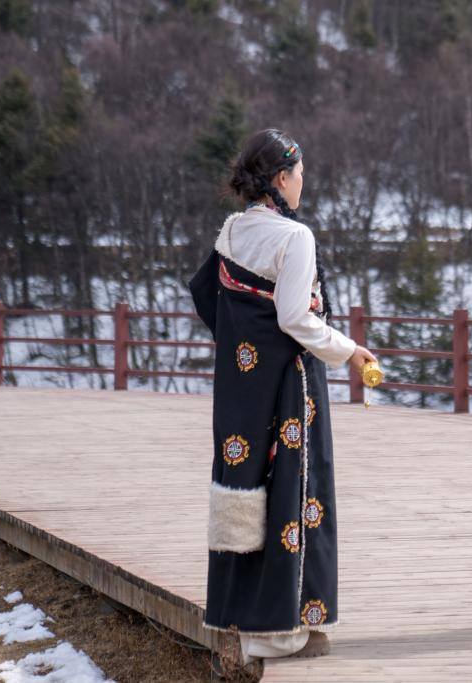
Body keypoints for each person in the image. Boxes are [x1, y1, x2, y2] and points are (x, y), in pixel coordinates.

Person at [188, 129, 376, 664]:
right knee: (295, 489)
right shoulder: (295, 237)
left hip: (242, 386)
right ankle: (285, 629)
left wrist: (246, 347)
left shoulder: (232, 231)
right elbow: (296, 318)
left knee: (246, 486)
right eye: (299, 174)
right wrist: (349, 350)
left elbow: (206, 295)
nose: (302, 183)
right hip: (291, 384)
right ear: (280, 178)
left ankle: (242, 623)